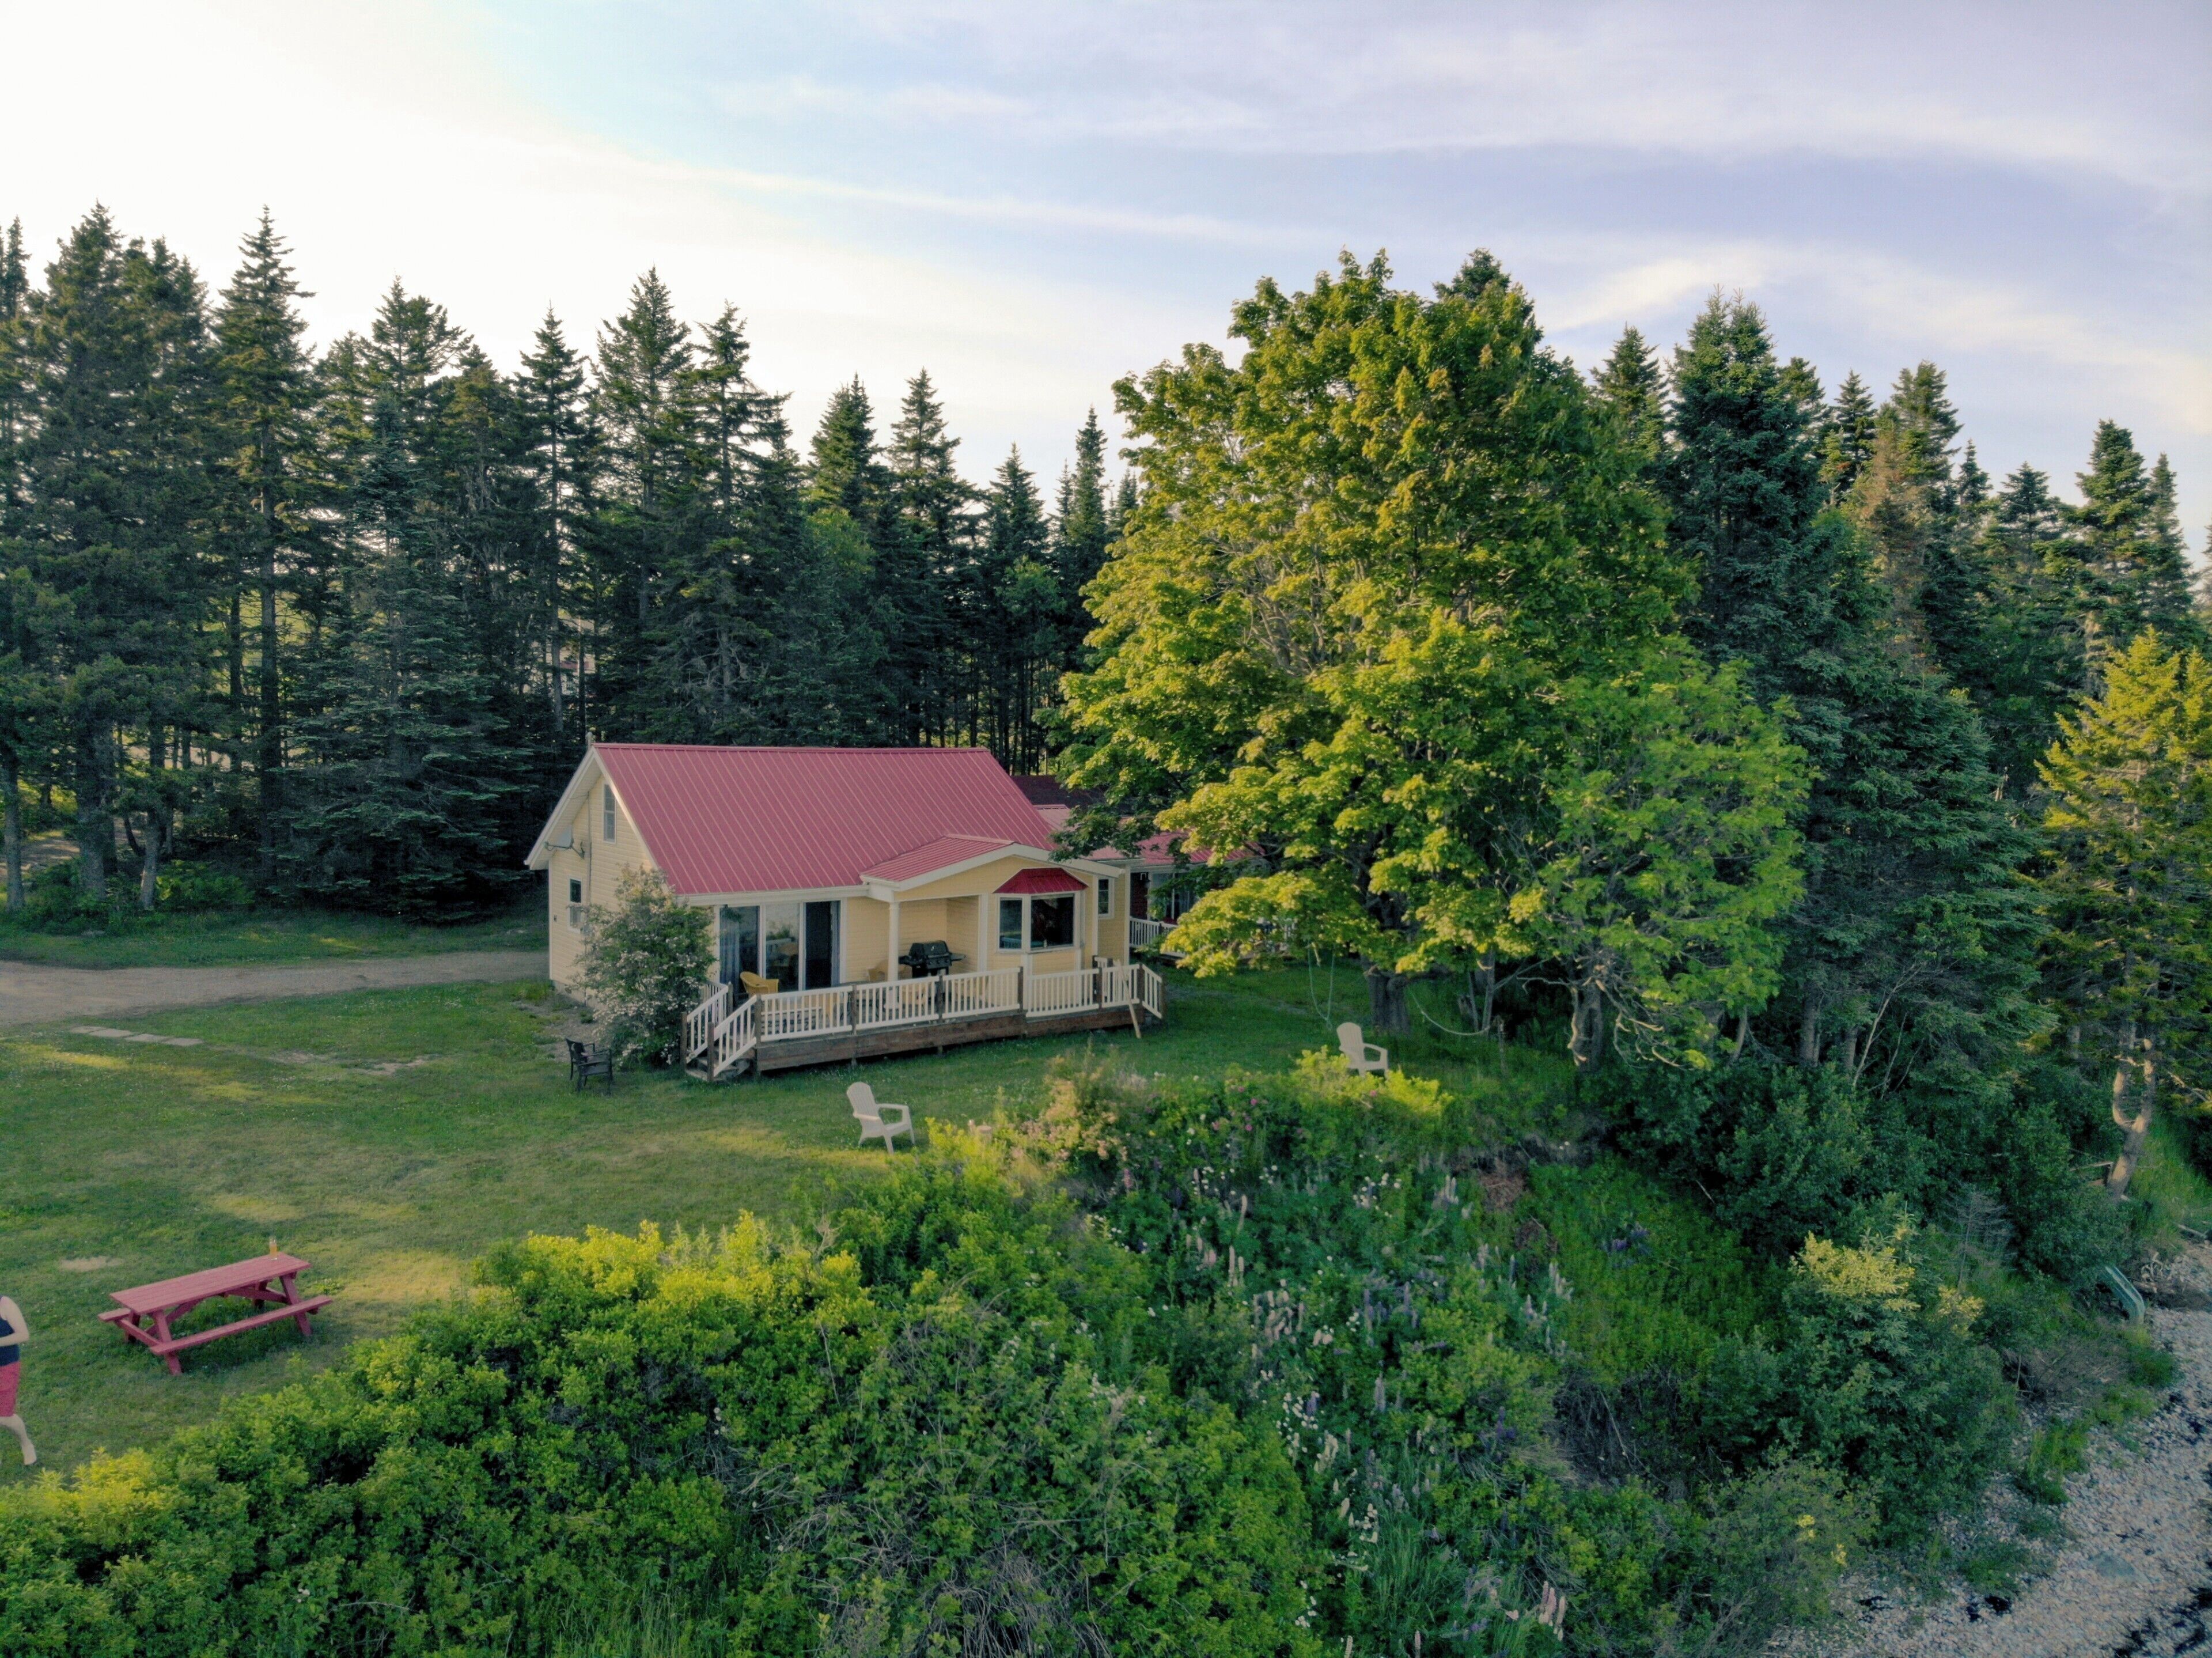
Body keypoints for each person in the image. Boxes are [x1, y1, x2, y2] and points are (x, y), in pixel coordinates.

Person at [0, 1294, 35, 1466]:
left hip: (5, 1366)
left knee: (4, 1417)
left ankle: (26, 1443)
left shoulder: (5, 1304)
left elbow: (23, 1335)